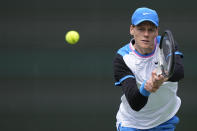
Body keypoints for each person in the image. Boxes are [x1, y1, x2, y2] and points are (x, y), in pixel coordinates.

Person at [113, 7, 184, 131]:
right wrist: (147, 87)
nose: (146, 34)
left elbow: (178, 71)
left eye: (150, 30)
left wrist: (160, 77)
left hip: (164, 120)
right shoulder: (122, 58)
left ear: (157, 31)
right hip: (131, 124)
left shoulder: (166, 44)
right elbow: (135, 103)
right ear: (132, 29)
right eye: (141, 29)